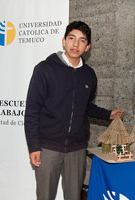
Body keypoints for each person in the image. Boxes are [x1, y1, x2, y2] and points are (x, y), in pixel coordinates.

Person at [24, 21, 123, 200]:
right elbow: (32, 110)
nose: (75, 44)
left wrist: (107, 114)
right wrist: (34, 146)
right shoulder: (44, 69)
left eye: (82, 41)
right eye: (71, 38)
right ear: (64, 41)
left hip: (77, 148)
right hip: (48, 147)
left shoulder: (89, 75)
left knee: (73, 196)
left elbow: (85, 106)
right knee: (45, 196)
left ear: (88, 47)